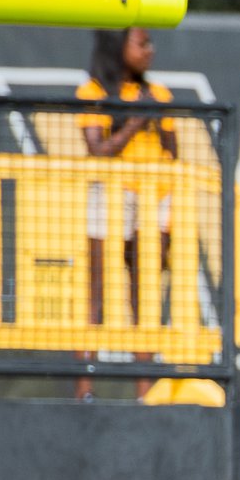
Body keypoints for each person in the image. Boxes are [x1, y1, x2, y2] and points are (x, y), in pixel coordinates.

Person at [76, 27, 177, 394]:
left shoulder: (158, 93)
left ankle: (145, 391)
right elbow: (97, 150)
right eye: (141, 43)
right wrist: (136, 121)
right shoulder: (94, 92)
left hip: (154, 198)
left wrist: (156, 113)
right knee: (97, 293)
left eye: (151, 42)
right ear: (119, 48)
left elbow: (173, 149)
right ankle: (84, 388)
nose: (150, 50)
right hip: (112, 194)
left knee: (145, 296)